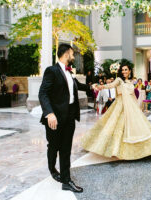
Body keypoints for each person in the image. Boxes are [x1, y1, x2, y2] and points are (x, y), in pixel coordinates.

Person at [39, 44, 94, 193]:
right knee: (53, 146)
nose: (73, 56)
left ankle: (66, 180)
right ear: (65, 54)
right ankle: (52, 168)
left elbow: (78, 86)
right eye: (72, 54)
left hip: (70, 115)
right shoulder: (52, 71)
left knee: (66, 149)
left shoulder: (70, 72)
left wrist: (93, 87)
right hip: (55, 117)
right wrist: (49, 113)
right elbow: (43, 93)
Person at [82, 64, 151, 160]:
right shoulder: (119, 80)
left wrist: (137, 108)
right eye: (122, 70)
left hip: (131, 106)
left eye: (126, 70)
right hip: (120, 105)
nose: (124, 71)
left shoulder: (130, 82)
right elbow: (111, 85)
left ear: (130, 71)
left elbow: (133, 95)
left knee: (133, 127)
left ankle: (138, 150)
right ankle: (115, 150)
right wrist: (101, 86)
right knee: (116, 127)